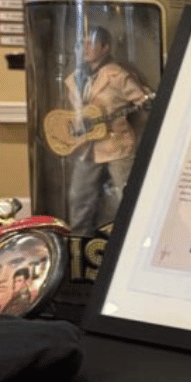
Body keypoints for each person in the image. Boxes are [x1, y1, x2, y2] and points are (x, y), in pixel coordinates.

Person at [62, 25, 153, 234]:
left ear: (105, 48)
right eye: (82, 43)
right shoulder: (76, 78)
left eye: (91, 43)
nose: (85, 47)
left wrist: (132, 121)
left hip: (116, 143)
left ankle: (130, 237)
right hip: (85, 144)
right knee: (78, 196)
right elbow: (72, 111)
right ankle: (79, 242)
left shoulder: (117, 76)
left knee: (125, 195)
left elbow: (143, 101)